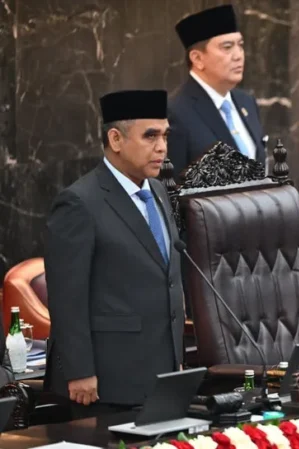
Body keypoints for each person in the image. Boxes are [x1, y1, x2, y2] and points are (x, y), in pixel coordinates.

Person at [44, 90, 185, 418]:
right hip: (104, 381)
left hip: (161, 372)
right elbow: (67, 297)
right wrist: (80, 371)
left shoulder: (160, 192)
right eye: (150, 136)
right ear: (116, 139)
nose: (162, 147)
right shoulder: (79, 203)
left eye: (165, 135)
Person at [167, 4, 267, 180]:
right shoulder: (175, 111)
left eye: (240, 45)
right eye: (227, 47)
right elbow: (171, 187)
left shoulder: (246, 102)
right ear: (198, 59)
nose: (238, 55)